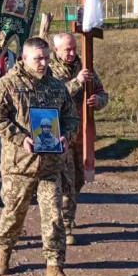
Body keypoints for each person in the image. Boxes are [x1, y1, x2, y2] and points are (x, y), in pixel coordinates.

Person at [0, 36, 78, 276]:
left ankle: (54, 269)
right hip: (20, 166)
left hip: (50, 165)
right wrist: (19, 138)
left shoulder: (57, 88)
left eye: (47, 57)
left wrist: (66, 136)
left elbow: (71, 117)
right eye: (38, 58)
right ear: (24, 58)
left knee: (54, 217)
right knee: (14, 214)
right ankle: (4, 250)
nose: (43, 63)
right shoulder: (7, 85)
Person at [50, 32, 108, 244]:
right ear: (56, 51)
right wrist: (76, 82)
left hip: (82, 133)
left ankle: (68, 217)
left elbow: (103, 93)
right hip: (59, 134)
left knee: (79, 178)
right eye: (67, 49)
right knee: (65, 180)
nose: (72, 53)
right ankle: (65, 224)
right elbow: (51, 97)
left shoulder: (86, 68)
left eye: (74, 48)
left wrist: (98, 100)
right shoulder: (48, 70)